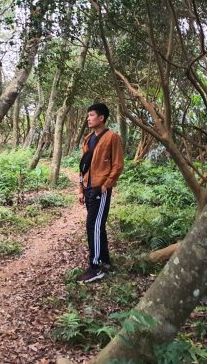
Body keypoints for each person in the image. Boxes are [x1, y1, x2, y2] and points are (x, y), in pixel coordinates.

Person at [76, 103, 124, 283]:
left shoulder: (112, 138)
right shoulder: (88, 139)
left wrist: (106, 185)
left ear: (101, 117)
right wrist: (81, 189)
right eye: (88, 115)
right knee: (97, 225)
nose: (88, 118)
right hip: (88, 188)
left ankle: (95, 267)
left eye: (91, 115)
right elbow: (83, 167)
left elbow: (118, 164)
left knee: (93, 225)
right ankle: (105, 261)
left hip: (100, 188)